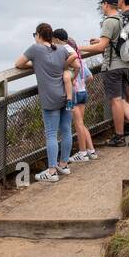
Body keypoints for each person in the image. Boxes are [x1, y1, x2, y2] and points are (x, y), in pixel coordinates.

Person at [76, 0, 129, 148]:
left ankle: (119, 137)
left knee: (115, 100)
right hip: (128, 65)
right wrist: (100, 41)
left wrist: (78, 48)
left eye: (102, 5)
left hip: (113, 66)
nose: (102, 7)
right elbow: (114, 41)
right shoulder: (123, 19)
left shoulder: (109, 21)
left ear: (106, 4)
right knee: (121, 99)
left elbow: (101, 47)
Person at [15, 22, 79, 183]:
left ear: (38, 34)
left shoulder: (35, 49)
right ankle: (63, 164)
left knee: (51, 133)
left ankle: (51, 171)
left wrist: (35, 64)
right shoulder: (61, 49)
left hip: (50, 97)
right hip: (67, 94)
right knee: (65, 130)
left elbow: (18, 64)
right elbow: (75, 62)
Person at [54, 28, 98, 163]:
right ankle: (91, 150)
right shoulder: (80, 58)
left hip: (75, 93)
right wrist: (81, 82)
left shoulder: (66, 54)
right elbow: (90, 77)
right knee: (81, 123)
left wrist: (73, 80)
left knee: (78, 124)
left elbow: (75, 68)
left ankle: (83, 152)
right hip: (83, 91)